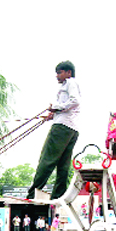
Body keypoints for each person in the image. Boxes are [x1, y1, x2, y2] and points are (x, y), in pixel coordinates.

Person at [27, 61, 80, 200]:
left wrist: (56, 107)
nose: (57, 75)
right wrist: (54, 114)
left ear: (68, 72)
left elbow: (75, 101)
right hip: (72, 128)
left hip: (61, 127)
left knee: (47, 159)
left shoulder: (70, 83)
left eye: (60, 72)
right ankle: (58, 195)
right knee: (63, 164)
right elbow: (71, 106)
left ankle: (33, 192)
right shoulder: (70, 84)